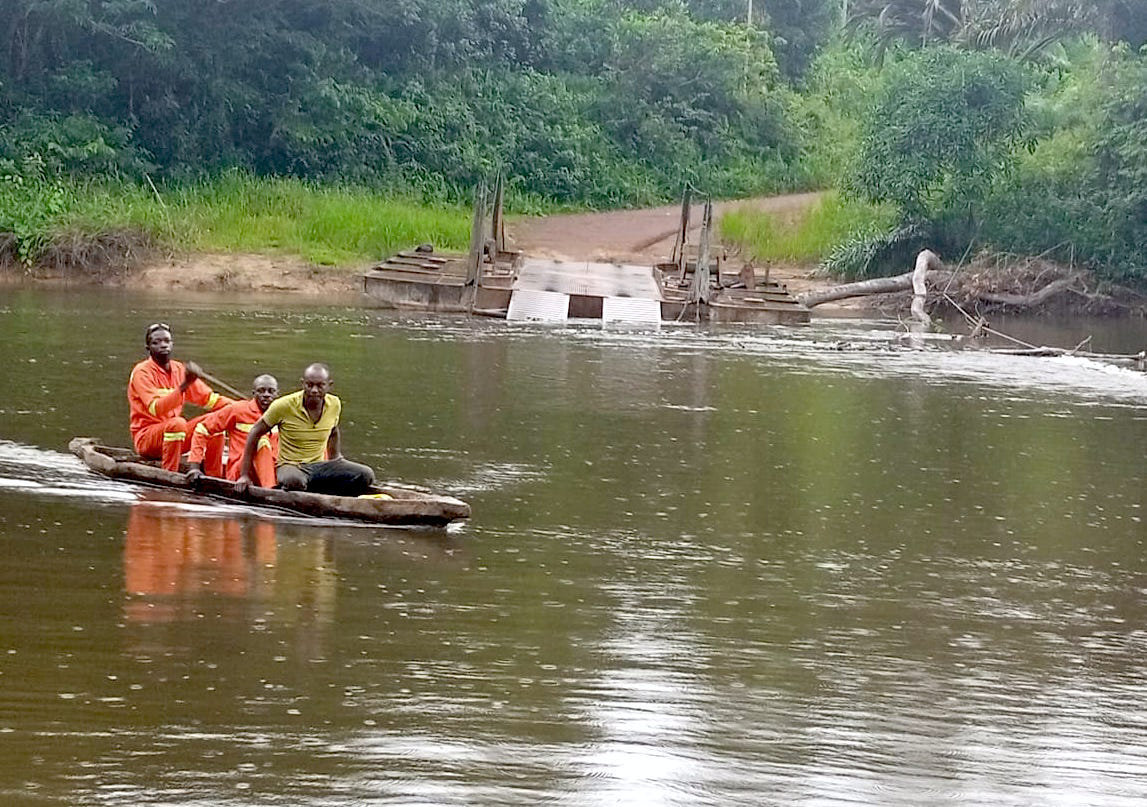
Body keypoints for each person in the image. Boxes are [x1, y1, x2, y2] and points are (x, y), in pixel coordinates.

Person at [235, 363, 375, 495]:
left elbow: (333, 430)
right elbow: (255, 432)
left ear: (329, 385)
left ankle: (326, 493)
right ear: (303, 384)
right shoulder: (284, 405)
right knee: (294, 481)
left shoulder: (334, 404)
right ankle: (312, 492)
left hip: (318, 466)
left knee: (366, 475)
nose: (314, 390)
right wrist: (244, 475)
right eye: (309, 385)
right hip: (291, 466)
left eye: (320, 386)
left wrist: (336, 460)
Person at [128, 322, 232, 472]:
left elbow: (211, 400)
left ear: (172, 344)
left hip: (176, 436)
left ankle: (213, 476)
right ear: (148, 348)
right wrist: (184, 386)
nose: (163, 345)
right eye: (156, 342)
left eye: (166, 341)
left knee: (216, 421)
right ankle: (170, 474)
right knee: (177, 423)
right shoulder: (141, 372)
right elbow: (156, 408)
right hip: (147, 439)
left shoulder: (179, 369)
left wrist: (244, 408)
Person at [185, 374, 280, 488]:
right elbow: (202, 429)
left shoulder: (281, 414)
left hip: (271, 470)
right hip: (241, 474)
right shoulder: (238, 410)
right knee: (261, 441)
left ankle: (275, 483)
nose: (266, 395)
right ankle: (269, 489)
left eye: (271, 391)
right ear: (254, 394)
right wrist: (194, 468)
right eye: (261, 391)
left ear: (277, 394)